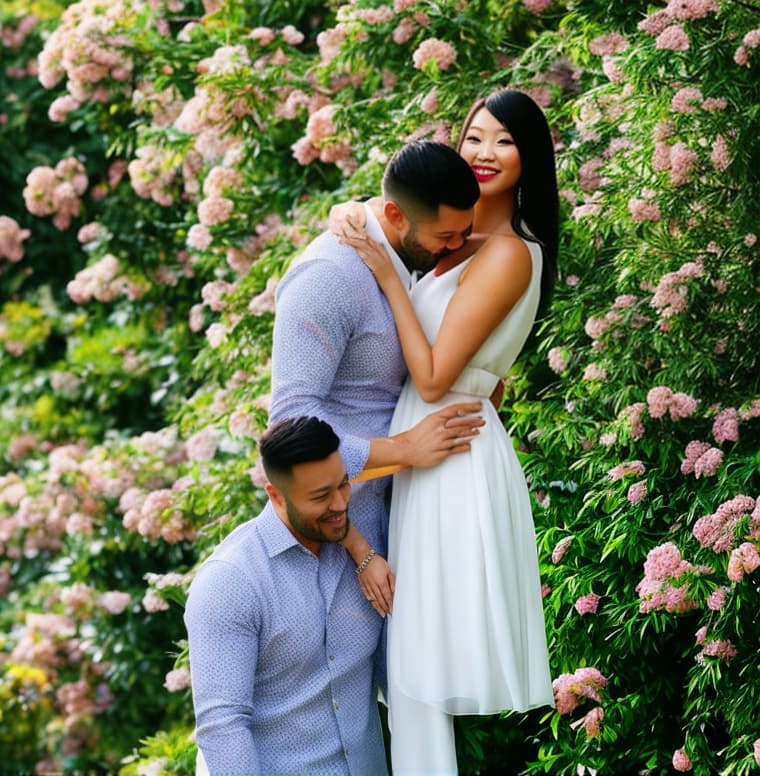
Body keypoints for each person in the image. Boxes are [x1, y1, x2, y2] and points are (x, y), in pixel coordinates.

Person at [332, 89, 558, 774]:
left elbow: (433, 378)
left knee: (417, 662)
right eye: (475, 138)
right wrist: (357, 212)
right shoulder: (454, 237)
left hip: (448, 448)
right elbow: (386, 216)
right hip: (424, 440)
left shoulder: (512, 252)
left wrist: (382, 271)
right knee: (404, 662)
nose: (485, 154)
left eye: (505, 142)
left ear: (530, 159)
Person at [270, 140, 488, 616]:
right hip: (343, 538)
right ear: (394, 213)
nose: (455, 247)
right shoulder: (327, 277)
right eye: (445, 235)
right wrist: (404, 450)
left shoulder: (407, 252)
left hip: (406, 520)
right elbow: (290, 423)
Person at [184, 416, 388, 775]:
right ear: (275, 495)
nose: (341, 504)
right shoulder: (230, 582)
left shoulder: (360, 552)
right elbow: (223, 726)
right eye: (321, 496)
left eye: (343, 485)